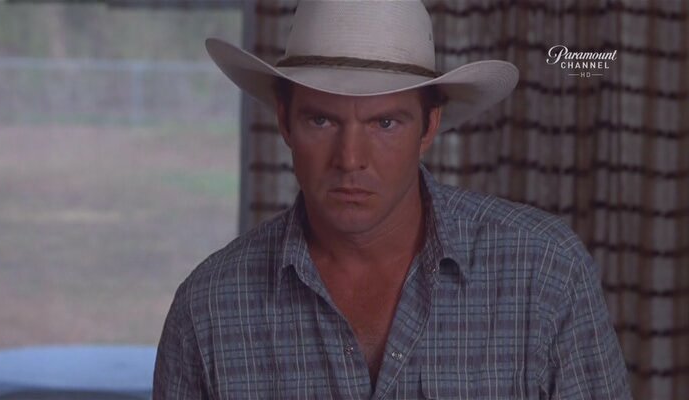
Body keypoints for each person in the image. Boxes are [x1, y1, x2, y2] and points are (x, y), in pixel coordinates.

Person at [153, 1, 632, 399]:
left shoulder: (544, 273)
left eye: (384, 123)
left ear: (429, 126)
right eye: (322, 120)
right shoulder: (208, 309)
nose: (350, 159)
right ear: (284, 121)